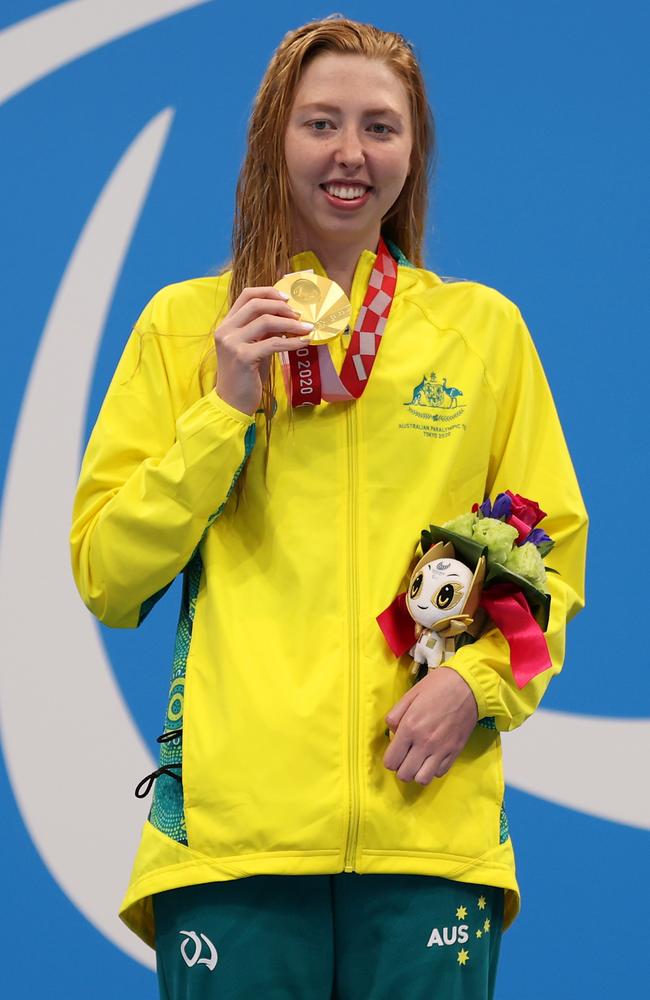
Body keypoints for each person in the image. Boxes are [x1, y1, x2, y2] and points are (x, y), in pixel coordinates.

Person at [70, 15, 588, 1000]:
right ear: (274, 138)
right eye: (320, 123)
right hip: (234, 846)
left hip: (427, 833)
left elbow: (545, 561)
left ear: (411, 151)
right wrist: (224, 406)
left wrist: (473, 684)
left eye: (379, 127)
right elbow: (108, 575)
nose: (350, 153)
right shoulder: (185, 326)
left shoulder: (480, 332)